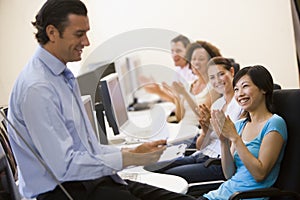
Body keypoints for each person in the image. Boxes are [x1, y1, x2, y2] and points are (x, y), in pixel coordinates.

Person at [7, 1, 197, 199]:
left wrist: (133, 151)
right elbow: (64, 166)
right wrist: (129, 158)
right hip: (66, 191)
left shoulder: (60, 76)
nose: (86, 42)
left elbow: (89, 148)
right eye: (79, 34)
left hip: (91, 181)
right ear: (52, 32)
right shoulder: (38, 88)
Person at [144, 57, 243, 183]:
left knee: (166, 177)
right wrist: (205, 130)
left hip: (217, 163)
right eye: (212, 77)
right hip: (200, 155)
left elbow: (234, 144)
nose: (217, 80)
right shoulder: (217, 104)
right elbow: (200, 146)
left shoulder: (240, 105)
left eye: (221, 74)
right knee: (150, 167)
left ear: (232, 72)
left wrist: (218, 130)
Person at [199, 65, 288, 200]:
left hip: (244, 197)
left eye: (245, 86)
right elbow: (229, 174)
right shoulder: (240, 124)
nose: (239, 94)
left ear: (263, 88)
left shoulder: (274, 123)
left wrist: (235, 138)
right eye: (236, 89)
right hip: (220, 195)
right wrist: (223, 141)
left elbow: (260, 174)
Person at [169, 40, 222, 123]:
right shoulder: (189, 85)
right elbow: (179, 117)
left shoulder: (214, 87)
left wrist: (185, 94)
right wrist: (178, 96)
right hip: (184, 129)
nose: (196, 63)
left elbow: (203, 116)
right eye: (193, 59)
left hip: (198, 130)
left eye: (201, 59)